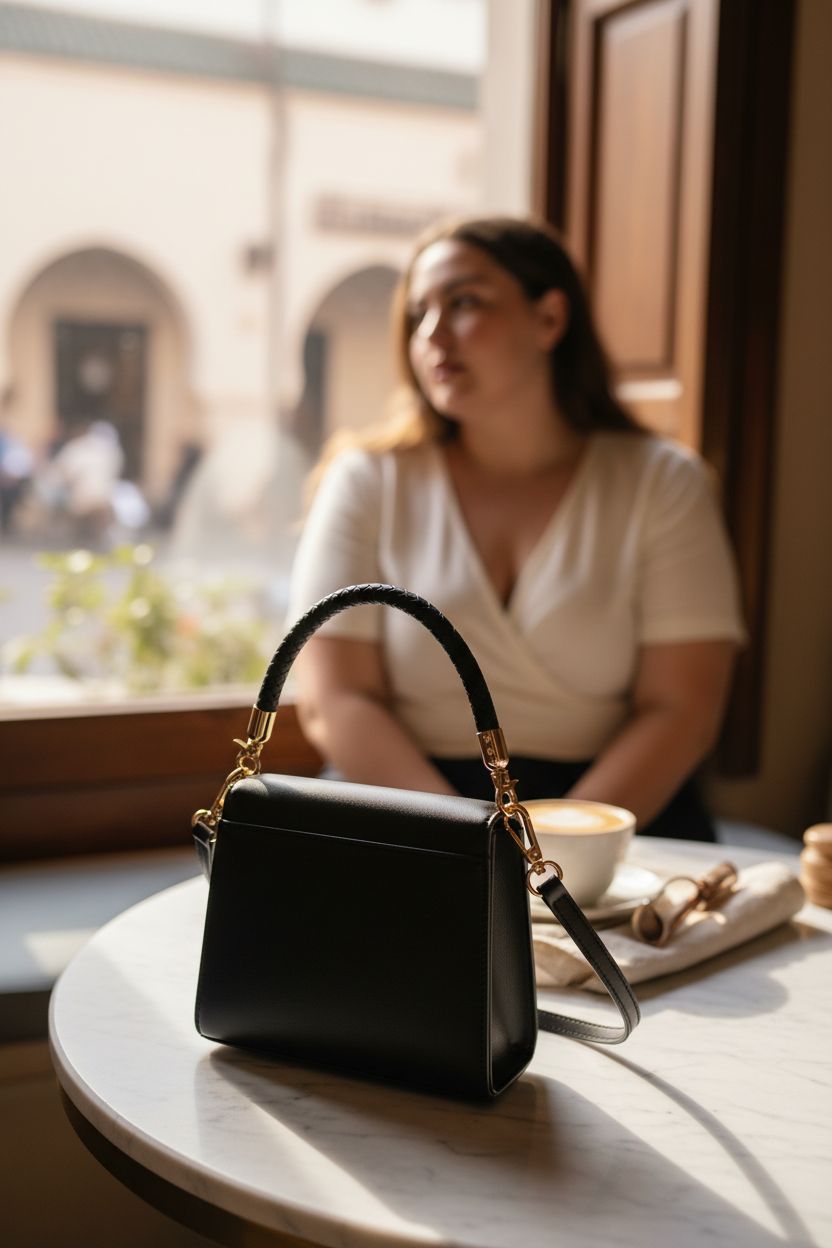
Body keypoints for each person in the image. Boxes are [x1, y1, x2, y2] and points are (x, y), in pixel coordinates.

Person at [286, 216, 745, 840]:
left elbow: (682, 711)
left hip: (619, 815)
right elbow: (334, 701)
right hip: (402, 805)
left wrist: (560, 847)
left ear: (550, 320)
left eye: (464, 302)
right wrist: (464, 841)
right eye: (420, 311)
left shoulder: (662, 482)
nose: (433, 334)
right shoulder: (367, 479)